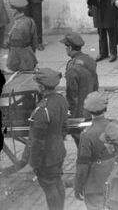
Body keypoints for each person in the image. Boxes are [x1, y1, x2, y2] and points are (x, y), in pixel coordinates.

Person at [29, 68, 68, 210]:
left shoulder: (41, 111)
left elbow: (37, 142)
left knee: (49, 186)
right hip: (58, 151)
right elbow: (64, 127)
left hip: (46, 157)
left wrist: (34, 163)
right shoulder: (61, 100)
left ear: (42, 86)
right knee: (57, 182)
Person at [74, 91, 115, 210]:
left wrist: (78, 187)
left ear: (88, 111)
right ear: (105, 108)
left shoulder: (87, 134)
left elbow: (83, 165)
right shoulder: (114, 125)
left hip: (96, 184)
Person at [62, 33, 99, 145]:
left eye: (65, 47)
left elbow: (72, 94)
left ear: (69, 48)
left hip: (79, 110)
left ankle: (85, 159)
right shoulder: (90, 60)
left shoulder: (72, 68)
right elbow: (96, 83)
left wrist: (70, 112)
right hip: (91, 104)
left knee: (79, 136)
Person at [6, 0, 38, 71]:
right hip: (30, 57)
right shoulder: (30, 21)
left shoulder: (17, 27)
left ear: (15, 10)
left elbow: (15, 49)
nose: (10, 10)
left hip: (19, 62)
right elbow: (34, 42)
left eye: (11, 8)